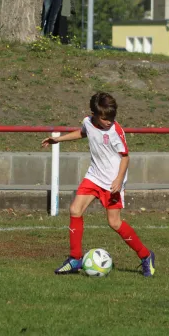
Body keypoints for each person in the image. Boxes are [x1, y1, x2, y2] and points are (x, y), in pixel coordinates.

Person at [41, 92, 156, 277]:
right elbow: (82, 132)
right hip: (94, 176)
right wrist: (58, 139)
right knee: (75, 210)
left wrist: (118, 180)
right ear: (94, 114)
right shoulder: (88, 122)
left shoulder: (115, 132)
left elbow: (125, 158)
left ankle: (146, 256)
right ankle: (75, 259)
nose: (109, 121)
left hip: (111, 182)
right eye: (104, 118)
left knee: (114, 222)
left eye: (112, 118)